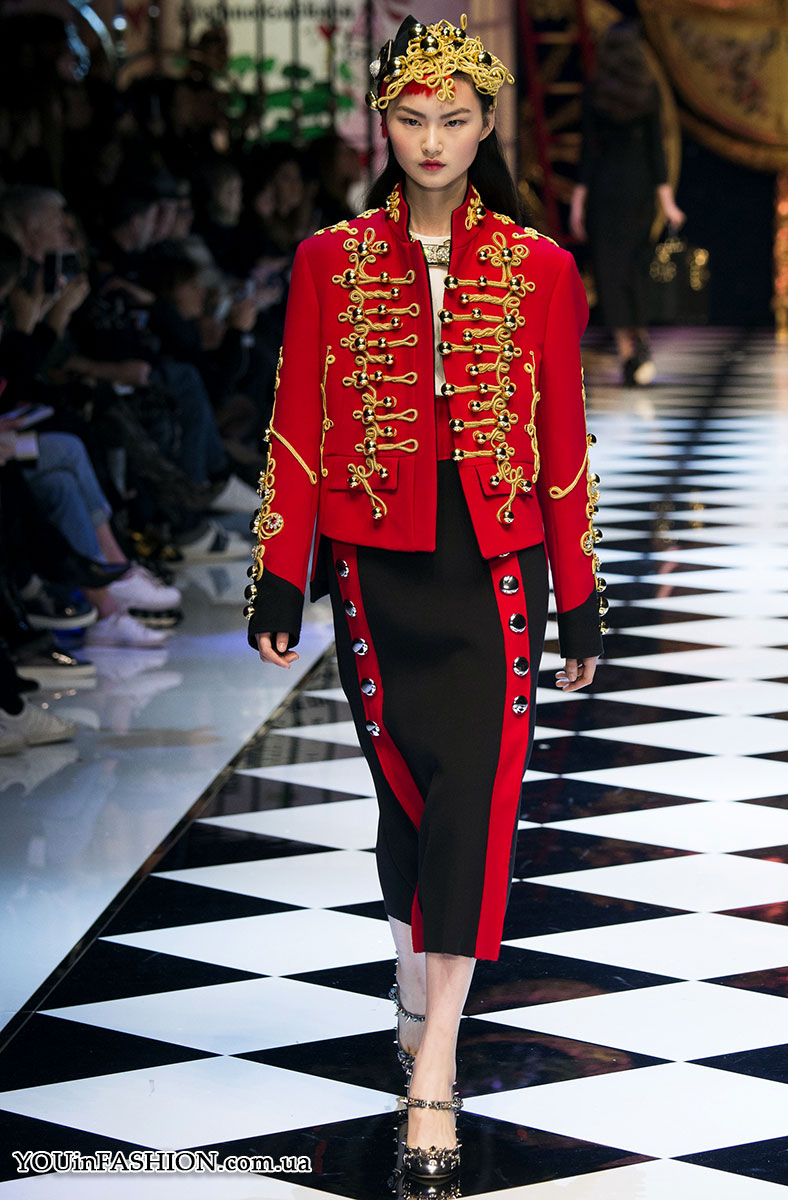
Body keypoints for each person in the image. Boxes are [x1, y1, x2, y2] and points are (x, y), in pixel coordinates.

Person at [246, 13, 606, 1188]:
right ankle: (414, 994)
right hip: (373, 562)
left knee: (476, 801)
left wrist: (580, 599)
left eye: (454, 119)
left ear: (487, 123)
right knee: (404, 794)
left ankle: (433, 1065)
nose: (433, 140)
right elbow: (296, 423)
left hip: (495, 560)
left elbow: (563, 440)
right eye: (411, 119)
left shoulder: (541, 267)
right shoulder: (328, 260)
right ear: (382, 125)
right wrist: (280, 572)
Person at [569, 21, 685, 386]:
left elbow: (588, 153)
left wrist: (577, 203)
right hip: (639, 192)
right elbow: (656, 151)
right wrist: (667, 201)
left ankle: (626, 353)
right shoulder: (648, 91)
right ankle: (642, 341)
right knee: (635, 267)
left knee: (611, 270)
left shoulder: (595, 91)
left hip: (605, 192)